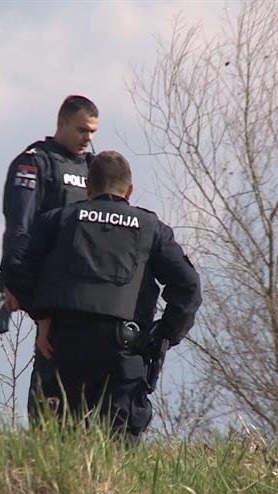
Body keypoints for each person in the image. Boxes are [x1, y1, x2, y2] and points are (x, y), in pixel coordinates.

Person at [11, 151, 201, 439]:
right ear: (130, 190)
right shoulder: (152, 229)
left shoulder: (58, 220)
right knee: (118, 445)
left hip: (63, 347)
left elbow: (17, 267)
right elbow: (188, 286)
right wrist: (160, 337)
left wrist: (43, 317)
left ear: (87, 187)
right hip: (124, 350)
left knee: (56, 441)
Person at [0, 95, 99, 419]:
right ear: (61, 123)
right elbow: (19, 228)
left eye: (93, 132)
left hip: (92, 293)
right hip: (52, 293)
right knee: (51, 391)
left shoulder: (94, 167)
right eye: (82, 130)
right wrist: (16, 283)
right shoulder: (35, 162)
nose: (88, 138)